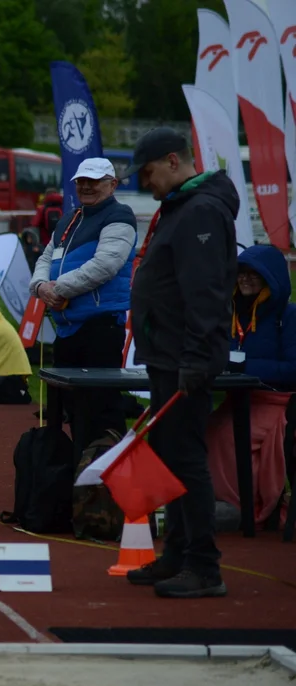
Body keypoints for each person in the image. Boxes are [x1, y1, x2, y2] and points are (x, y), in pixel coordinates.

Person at [124, 127, 238, 598]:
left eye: (148, 173)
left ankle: (204, 566)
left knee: (187, 459)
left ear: (174, 161)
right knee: (170, 457)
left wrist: (195, 357)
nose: (144, 184)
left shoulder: (201, 211)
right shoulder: (181, 208)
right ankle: (176, 554)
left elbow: (205, 293)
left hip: (184, 360)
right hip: (168, 355)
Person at [29, 158, 137, 452]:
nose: (86, 186)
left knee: (103, 410)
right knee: (74, 409)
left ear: (112, 184)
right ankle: (81, 481)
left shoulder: (120, 216)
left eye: (94, 181)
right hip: (67, 329)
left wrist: (58, 288)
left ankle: (109, 482)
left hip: (100, 327)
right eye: (81, 181)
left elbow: (106, 265)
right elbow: (44, 258)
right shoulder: (69, 218)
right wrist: (41, 287)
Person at [206, 244, 296, 529]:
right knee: (205, 428)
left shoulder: (289, 316)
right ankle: (228, 501)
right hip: (239, 398)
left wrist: (245, 367)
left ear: (272, 278)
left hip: (278, 401)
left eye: (253, 274)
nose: (244, 279)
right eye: (240, 273)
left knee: (228, 434)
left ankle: (252, 507)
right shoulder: (230, 315)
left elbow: (294, 369)